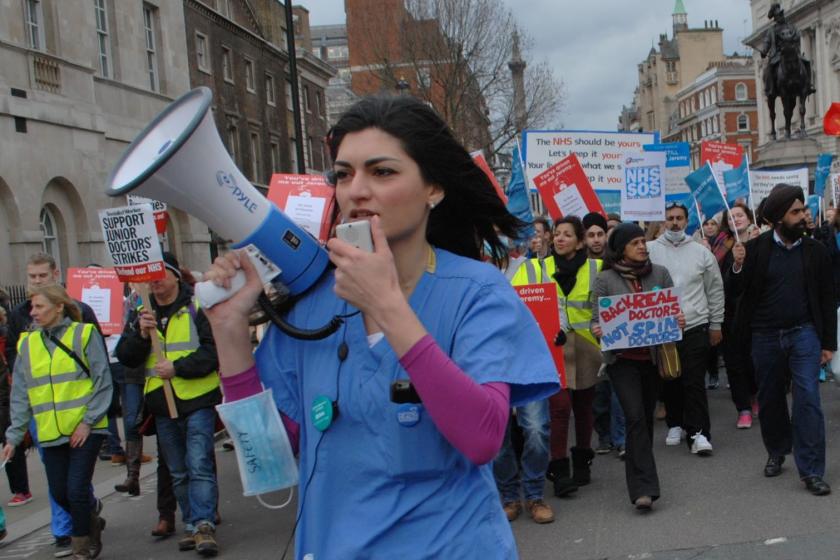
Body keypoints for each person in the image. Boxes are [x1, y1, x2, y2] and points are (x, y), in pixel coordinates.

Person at [203, 95, 559, 558]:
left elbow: (482, 439)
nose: (356, 191)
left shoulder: (477, 291)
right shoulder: (312, 302)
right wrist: (229, 333)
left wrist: (389, 308)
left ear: (433, 187)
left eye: (382, 172)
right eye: (344, 174)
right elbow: (269, 465)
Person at [729, 184, 836, 496]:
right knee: (771, 398)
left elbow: (827, 299)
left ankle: (812, 470)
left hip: (804, 333)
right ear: (777, 219)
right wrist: (737, 264)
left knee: (808, 400)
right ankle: (777, 450)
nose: (802, 216)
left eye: (803, 210)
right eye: (795, 212)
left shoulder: (815, 250)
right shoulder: (757, 249)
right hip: (764, 336)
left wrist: (828, 343)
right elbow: (736, 292)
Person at [116, 252, 222, 555]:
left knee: (199, 463)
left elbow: (213, 352)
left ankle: (204, 524)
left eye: (162, 274)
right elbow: (126, 356)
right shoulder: (141, 311)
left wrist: (177, 367)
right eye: (150, 277)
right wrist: (139, 332)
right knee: (177, 469)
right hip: (162, 403)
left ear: (176, 275)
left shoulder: (196, 307)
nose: (156, 282)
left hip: (197, 398)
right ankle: (191, 523)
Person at [2, 284, 111, 559]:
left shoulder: (84, 334)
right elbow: (21, 394)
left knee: (75, 490)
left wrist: (88, 421)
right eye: (32, 308)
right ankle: (91, 519)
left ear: (59, 306)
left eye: (40, 307)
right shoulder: (27, 343)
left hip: (85, 428)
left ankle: (82, 548)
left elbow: (102, 380)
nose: (33, 313)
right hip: (51, 433)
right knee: (61, 495)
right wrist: (13, 437)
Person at [591, 224, 684, 510]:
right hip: (623, 363)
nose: (643, 247)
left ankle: (640, 473)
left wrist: (677, 320)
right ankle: (644, 488)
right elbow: (597, 316)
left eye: (643, 242)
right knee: (633, 417)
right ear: (621, 249)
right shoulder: (605, 279)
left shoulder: (660, 274)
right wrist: (598, 327)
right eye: (635, 243)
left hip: (652, 361)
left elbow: (671, 312)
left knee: (642, 421)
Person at [648, 203, 724, 456]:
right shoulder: (650, 251)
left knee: (693, 381)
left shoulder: (701, 253)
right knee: (670, 378)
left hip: (695, 325)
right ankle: (675, 424)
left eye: (679, 218)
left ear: (687, 220)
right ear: (663, 221)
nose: (675, 223)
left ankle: (699, 433)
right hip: (664, 328)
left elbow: (714, 289)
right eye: (670, 218)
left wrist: (715, 324)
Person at [537, 217, 603, 496]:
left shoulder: (598, 267)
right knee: (560, 408)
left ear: (579, 241)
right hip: (553, 349)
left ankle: (583, 460)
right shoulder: (536, 268)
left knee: (584, 407)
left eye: (567, 235)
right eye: (557, 234)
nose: (560, 239)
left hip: (588, 348)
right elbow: (519, 301)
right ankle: (559, 468)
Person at [495, 257, 554, 524]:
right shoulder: (471, 265)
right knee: (496, 435)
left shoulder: (532, 267)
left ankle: (534, 495)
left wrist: (559, 326)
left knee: (536, 429)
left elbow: (553, 303)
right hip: (490, 362)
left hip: (528, 360)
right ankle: (509, 496)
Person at [716, 203, 760, 427]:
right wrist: (736, 264)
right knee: (734, 362)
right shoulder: (722, 247)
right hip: (731, 314)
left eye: (740, 215)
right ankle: (742, 407)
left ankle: (754, 395)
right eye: (731, 216)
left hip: (758, 313)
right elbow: (722, 282)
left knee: (754, 361)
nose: (737, 219)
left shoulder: (762, 240)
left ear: (748, 217)